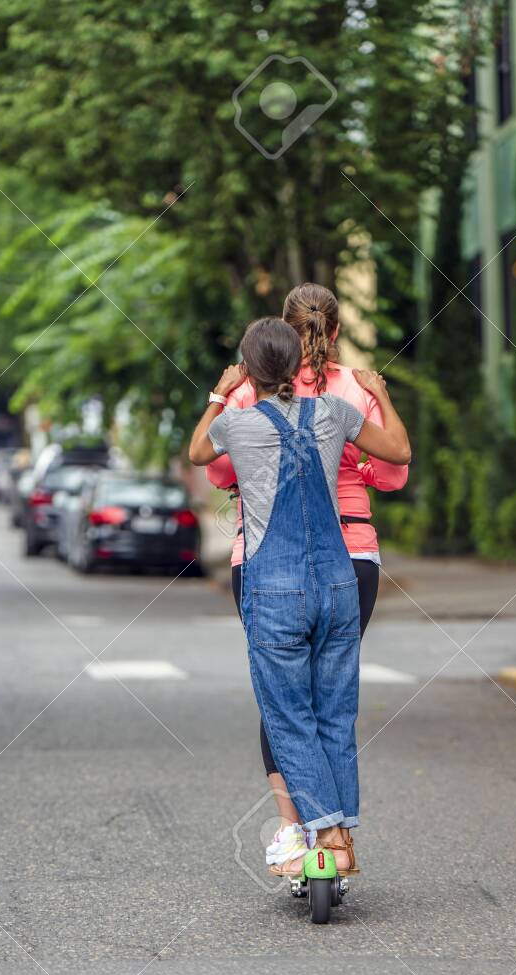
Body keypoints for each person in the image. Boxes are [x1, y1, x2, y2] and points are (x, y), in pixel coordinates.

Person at [189, 317, 411, 875]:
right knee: (336, 711)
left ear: (250, 370)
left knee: (287, 714)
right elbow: (398, 453)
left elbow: (197, 454)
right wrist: (380, 392)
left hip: (276, 585)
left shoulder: (237, 423)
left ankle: (325, 830)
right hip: (338, 579)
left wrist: (220, 393)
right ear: (298, 365)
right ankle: (339, 844)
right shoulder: (335, 412)